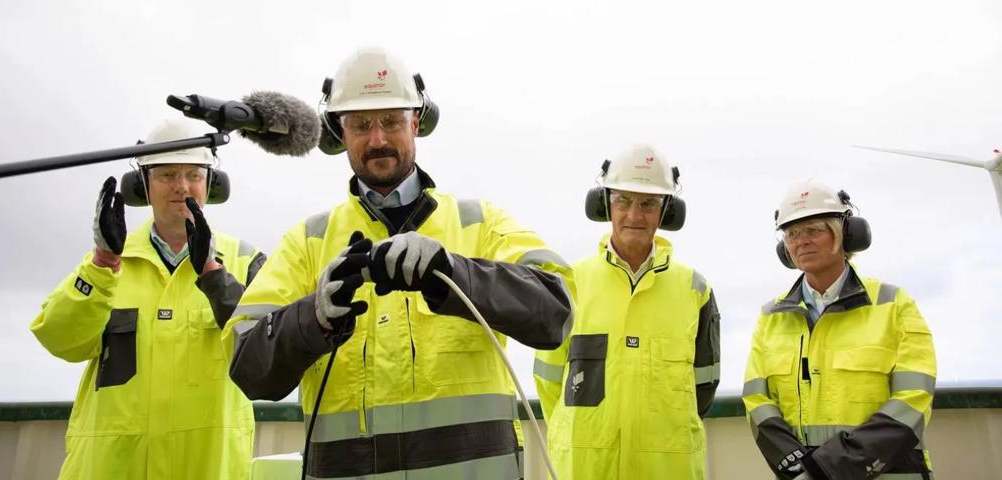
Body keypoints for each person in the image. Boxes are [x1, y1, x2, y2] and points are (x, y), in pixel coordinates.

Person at [224, 47, 575, 480]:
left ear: (417, 122)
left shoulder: (480, 224)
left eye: (391, 121)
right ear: (339, 132)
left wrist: (455, 272)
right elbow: (249, 370)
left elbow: (555, 312)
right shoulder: (306, 242)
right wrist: (311, 318)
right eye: (361, 125)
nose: (377, 140)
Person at [30, 117, 266, 479]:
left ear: (211, 184)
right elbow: (61, 340)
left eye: (193, 174)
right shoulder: (105, 264)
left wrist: (212, 273)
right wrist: (102, 263)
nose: (181, 187)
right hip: (110, 469)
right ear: (143, 185)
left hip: (207, 468)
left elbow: (268, 354)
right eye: (167, 175)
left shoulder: (247, 262)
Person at [533, 145, 720, 479]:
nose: (634, 216)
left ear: (667, 211)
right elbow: (548, 382)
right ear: (606, 205)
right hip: (584, 470)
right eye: (623, 201)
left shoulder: (695, 289)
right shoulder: (568, 283)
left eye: (648, 203)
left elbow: (704, 386)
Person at [742, 179, 936, 479]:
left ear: (847, 234)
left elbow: (913, 400)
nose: (801, 241)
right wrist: (798, 468)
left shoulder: (894, 305)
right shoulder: (770, 316)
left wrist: (826, 469)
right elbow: (757, 401)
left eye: (813, 230)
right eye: (792, 233)